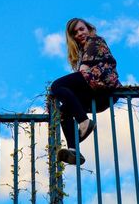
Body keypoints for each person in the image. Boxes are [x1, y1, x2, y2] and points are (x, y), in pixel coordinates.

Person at [51, 18, 122, 165]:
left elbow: (83, 70)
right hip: (96, 92)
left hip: (102, 82)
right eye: (75, 33)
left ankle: (84, 122)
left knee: (57, 85)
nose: (79, 34)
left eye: (81, 29)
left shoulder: (94, 40)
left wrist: (67, 91)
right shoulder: (83, 50)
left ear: (89, 29)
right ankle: (74, 150)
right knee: (65, 111)